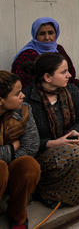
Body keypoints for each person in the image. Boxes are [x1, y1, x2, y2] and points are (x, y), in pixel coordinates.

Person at [23, 53, 79, 207]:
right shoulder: (28, 100)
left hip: (68, 142)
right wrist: (55, 143)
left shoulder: (71, 90)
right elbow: (29, 142)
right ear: (47, 77)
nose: (69, 75)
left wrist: (76, 131)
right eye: (63, 72)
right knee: (74, 156)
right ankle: (53, 194)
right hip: (43, 151)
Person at [0, 71, 41, 229]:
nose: (23, 95)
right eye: (17, 93)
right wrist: (11, 148)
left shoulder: (22, 110)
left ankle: (18, 217)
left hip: (10, 168)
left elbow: (31, 146)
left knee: (29, 165)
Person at [12, 18, 77, 88]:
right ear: (35, 35)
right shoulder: (27, 54)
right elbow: (21, 80)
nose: (47, 37)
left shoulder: (59, 49)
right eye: (42, 34)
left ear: (56, 33)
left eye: (50, 33)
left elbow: (71, 73)